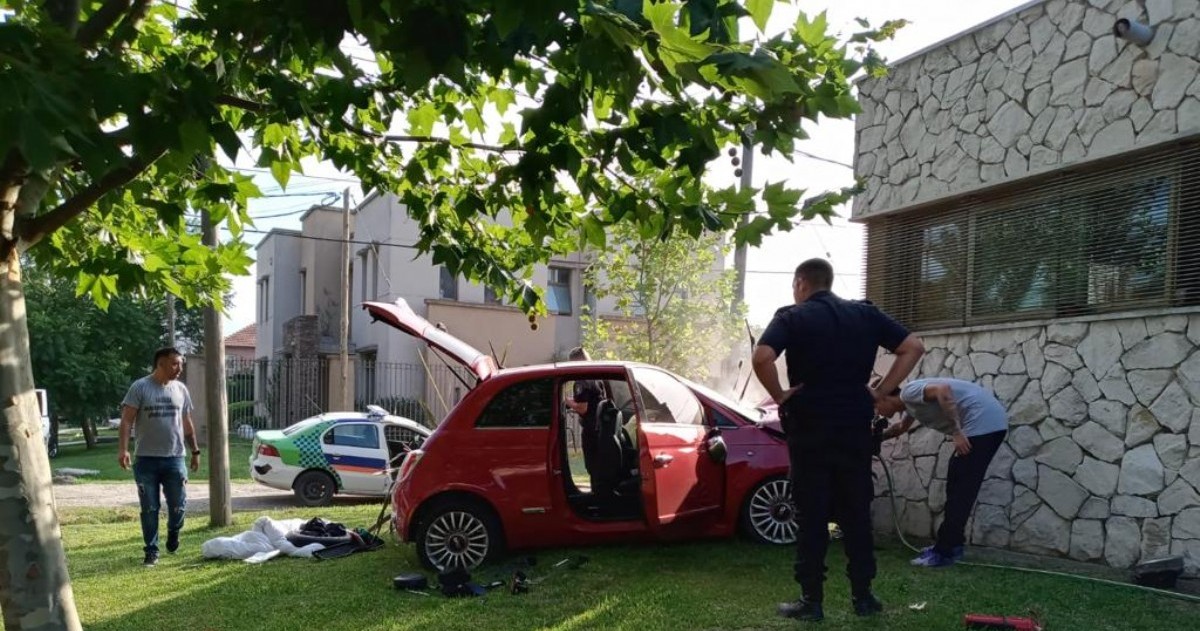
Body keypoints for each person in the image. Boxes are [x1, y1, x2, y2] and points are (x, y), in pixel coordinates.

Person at [752, 258, 924, 622]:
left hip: (810, 427)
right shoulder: (865, 314)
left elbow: (762, 356)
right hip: (853, 428)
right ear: (828, 282)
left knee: (811, 515)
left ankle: (811, 601)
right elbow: (913, 347)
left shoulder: (791, 317)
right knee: (856, 512)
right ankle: (864, 597)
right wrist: (884, 390)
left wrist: (780, 394)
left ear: (801, 283)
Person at [875, 378, 1009, 567]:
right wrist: (877, 437)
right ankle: (951, 546)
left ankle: (944, 552)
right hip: (986, 424)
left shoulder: (909, 392)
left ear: (884, 398)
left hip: (982, 424)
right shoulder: (911, 405)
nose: (877, 412)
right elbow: (901, 428)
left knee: (960, 490)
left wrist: (956, 432)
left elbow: (943, 390)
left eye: (875, 406)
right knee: (957, 484)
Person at [118, 347, 201, 567]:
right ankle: (151, 551)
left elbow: (187, 423)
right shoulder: (140, 387)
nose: (179, 369)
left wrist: (195, 451)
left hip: (174, 458)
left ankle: (174, 531)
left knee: (178, 506)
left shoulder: (181, 389)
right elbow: (126, 420)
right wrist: (123, 449)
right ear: (161, 364)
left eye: (181, 364)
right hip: (146, 460)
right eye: (175, 364)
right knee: (149, 508)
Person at [564, 347, 604, 492]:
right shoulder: (596, 376)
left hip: (591, 430)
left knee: (592, 465)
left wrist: (567, 402)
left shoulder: (581, 380)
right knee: (600, 467)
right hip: (601, 428)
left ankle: (596, 495)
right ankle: (600, 494)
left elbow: (582, 408)